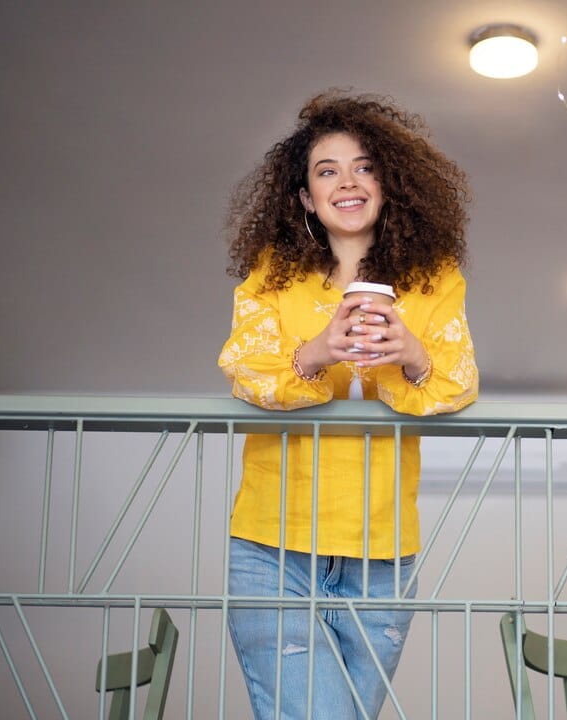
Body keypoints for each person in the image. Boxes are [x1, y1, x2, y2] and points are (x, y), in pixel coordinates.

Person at [217, 89, 478, 720]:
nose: (348, 182)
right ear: (306, 198)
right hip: (272, 547)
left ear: (388, 184)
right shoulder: (270, 276)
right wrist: (318, 351)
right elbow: (246, 373)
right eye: (326, 171)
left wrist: (411, 351)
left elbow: (458, 383)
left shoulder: (433, 277)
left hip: (383, 555)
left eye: (364, 167)